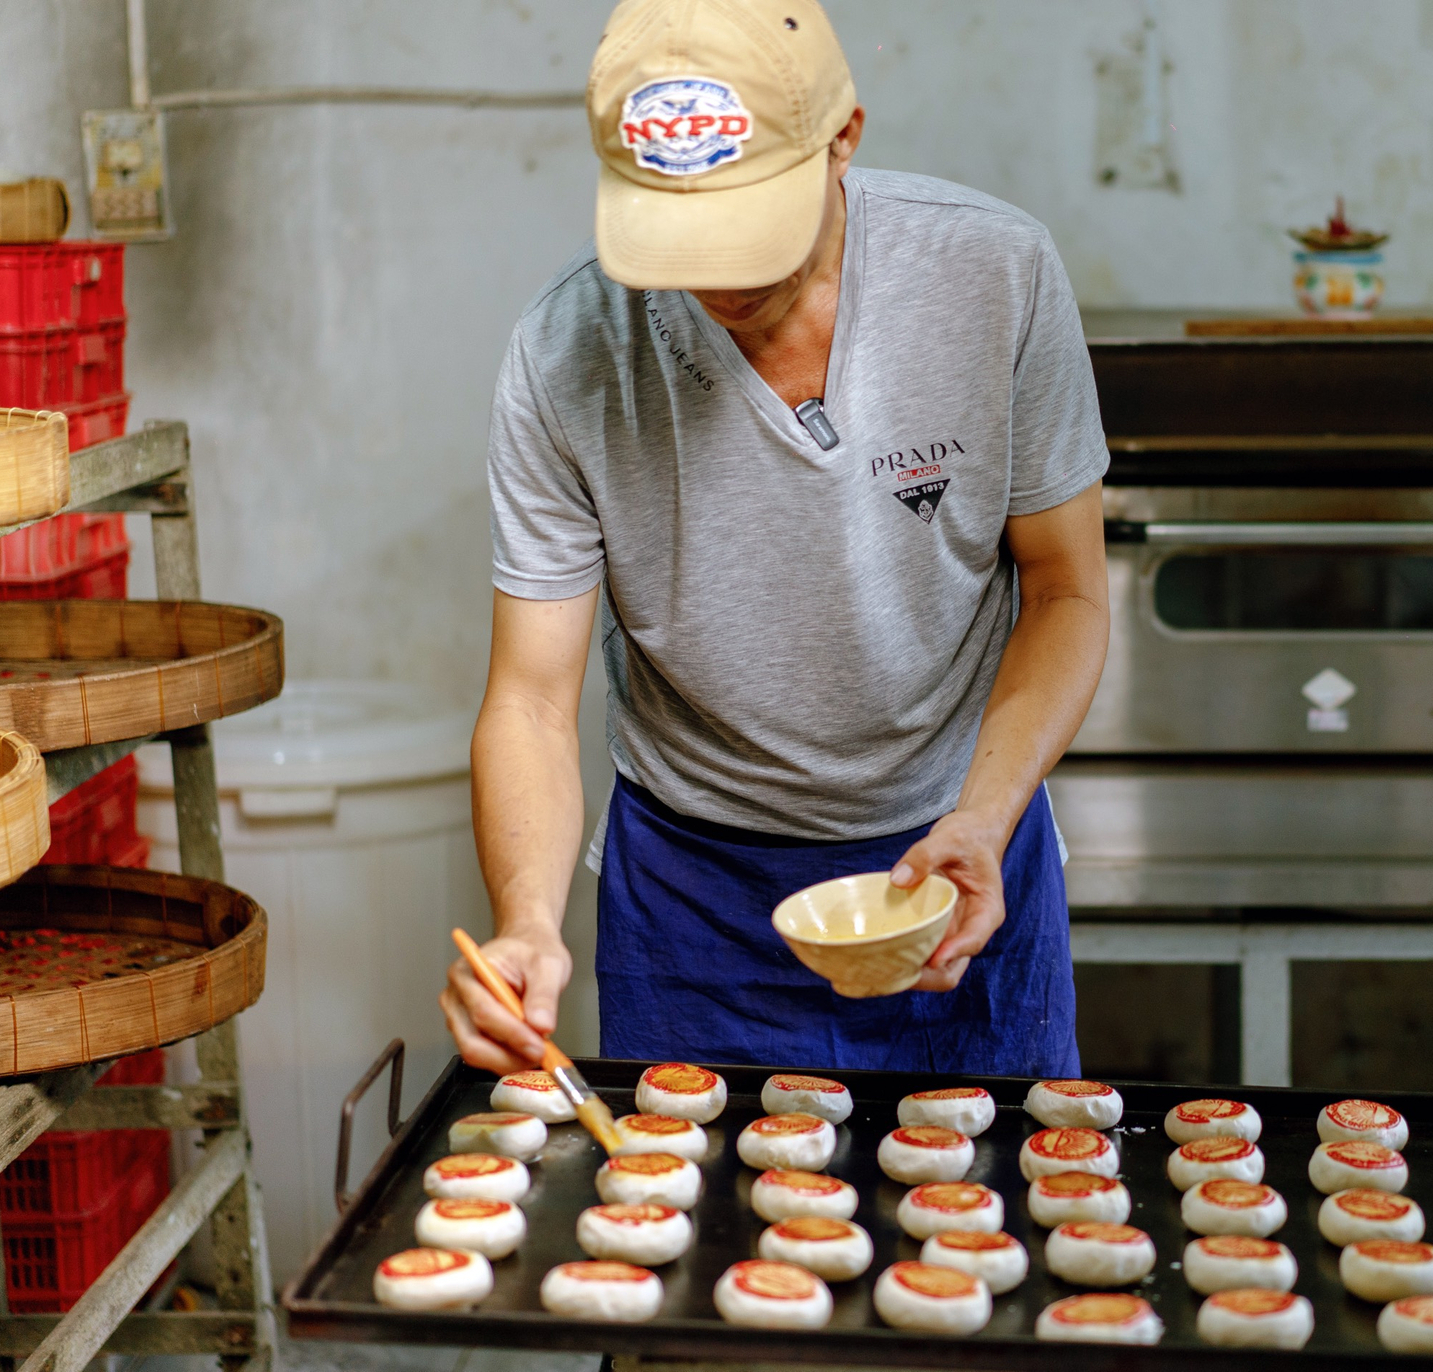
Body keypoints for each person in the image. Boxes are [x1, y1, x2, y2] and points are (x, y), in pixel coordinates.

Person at [440, 0, 1109, 1077]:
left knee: (988, 1225)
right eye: (681, 241)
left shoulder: (994, 277)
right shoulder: (566, 354)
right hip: (696, 902)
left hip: (956, 856)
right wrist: (527, 918)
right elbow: (527, 699)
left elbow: (1068, 591)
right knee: (704, 1238)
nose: (720, 282)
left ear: (844, 136)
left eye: (751, 231)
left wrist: (985, 819)